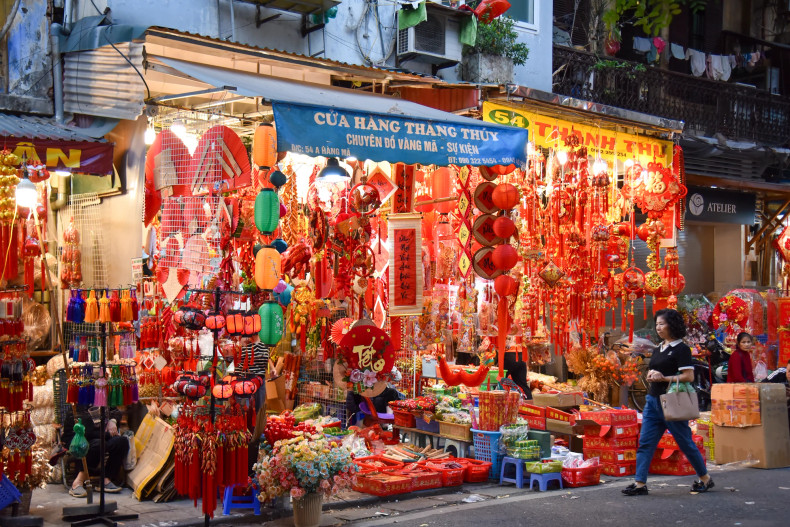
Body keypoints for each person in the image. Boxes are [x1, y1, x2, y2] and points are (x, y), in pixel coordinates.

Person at [622, 308, 713, 496]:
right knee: (646, 442)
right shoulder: (658, 349)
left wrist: (664, 378)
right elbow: (656, 370)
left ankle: (705, 478)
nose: (658, 327)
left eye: (662, 324)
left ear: (672, 325)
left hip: (672, 402)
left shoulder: (681, 349)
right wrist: (651, 375)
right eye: (657, 324)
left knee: (685, 442)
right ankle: (640, 484)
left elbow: (688, 376)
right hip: (653, 401)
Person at [60, 406, 129, 498]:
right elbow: (87, 430)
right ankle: (78, 482)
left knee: (122, 442)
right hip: (79, 438)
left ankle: (105, 479)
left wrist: (112, 421)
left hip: (101, 436)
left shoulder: (101, 396)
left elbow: (115, 411)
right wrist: (107, 433)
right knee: (99, 444)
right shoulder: (80, 403)